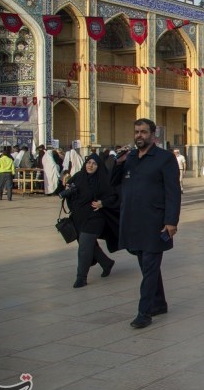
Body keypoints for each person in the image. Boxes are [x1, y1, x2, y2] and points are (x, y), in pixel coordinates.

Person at [111, 118, 181, 329]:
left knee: (150, 267)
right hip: (133, 221)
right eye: (136, 132)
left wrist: (171, 221)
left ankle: (145, 312)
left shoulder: (164, 158)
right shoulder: (130, 157)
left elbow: (173, 192)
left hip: (154, 223)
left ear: (152, 134)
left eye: (143, 132)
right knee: (147, 266)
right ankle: (159, 303)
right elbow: (113, 183)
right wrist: (118, 163)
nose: (139, 136)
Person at [63, 154, 120, 288]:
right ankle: (106, 263)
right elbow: (70, 194)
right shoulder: (78, 176)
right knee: (90, 245)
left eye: (94, 164)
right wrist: (67, 190)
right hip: (78, 218)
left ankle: (81, 277)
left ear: (98, 166)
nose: (90, 166)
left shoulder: (103, 180)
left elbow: (114, 196)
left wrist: (102, 203)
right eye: (89, 162)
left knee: (84, 247)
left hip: (95, 218)